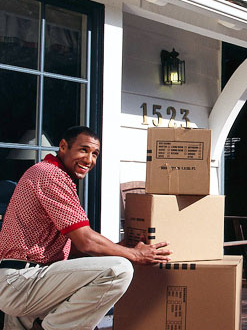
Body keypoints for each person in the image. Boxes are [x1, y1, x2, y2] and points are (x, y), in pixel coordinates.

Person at [0, 126, 172, 330]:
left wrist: (118, 247)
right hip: (23, 282)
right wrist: (134, 254)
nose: (89, 160)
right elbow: (86, 241)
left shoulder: (49, 174)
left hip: (29, 284)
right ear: (63, 147)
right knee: (118, 269)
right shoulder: (50, 175)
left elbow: (72, 247)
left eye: (95, 154)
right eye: (83, 150)